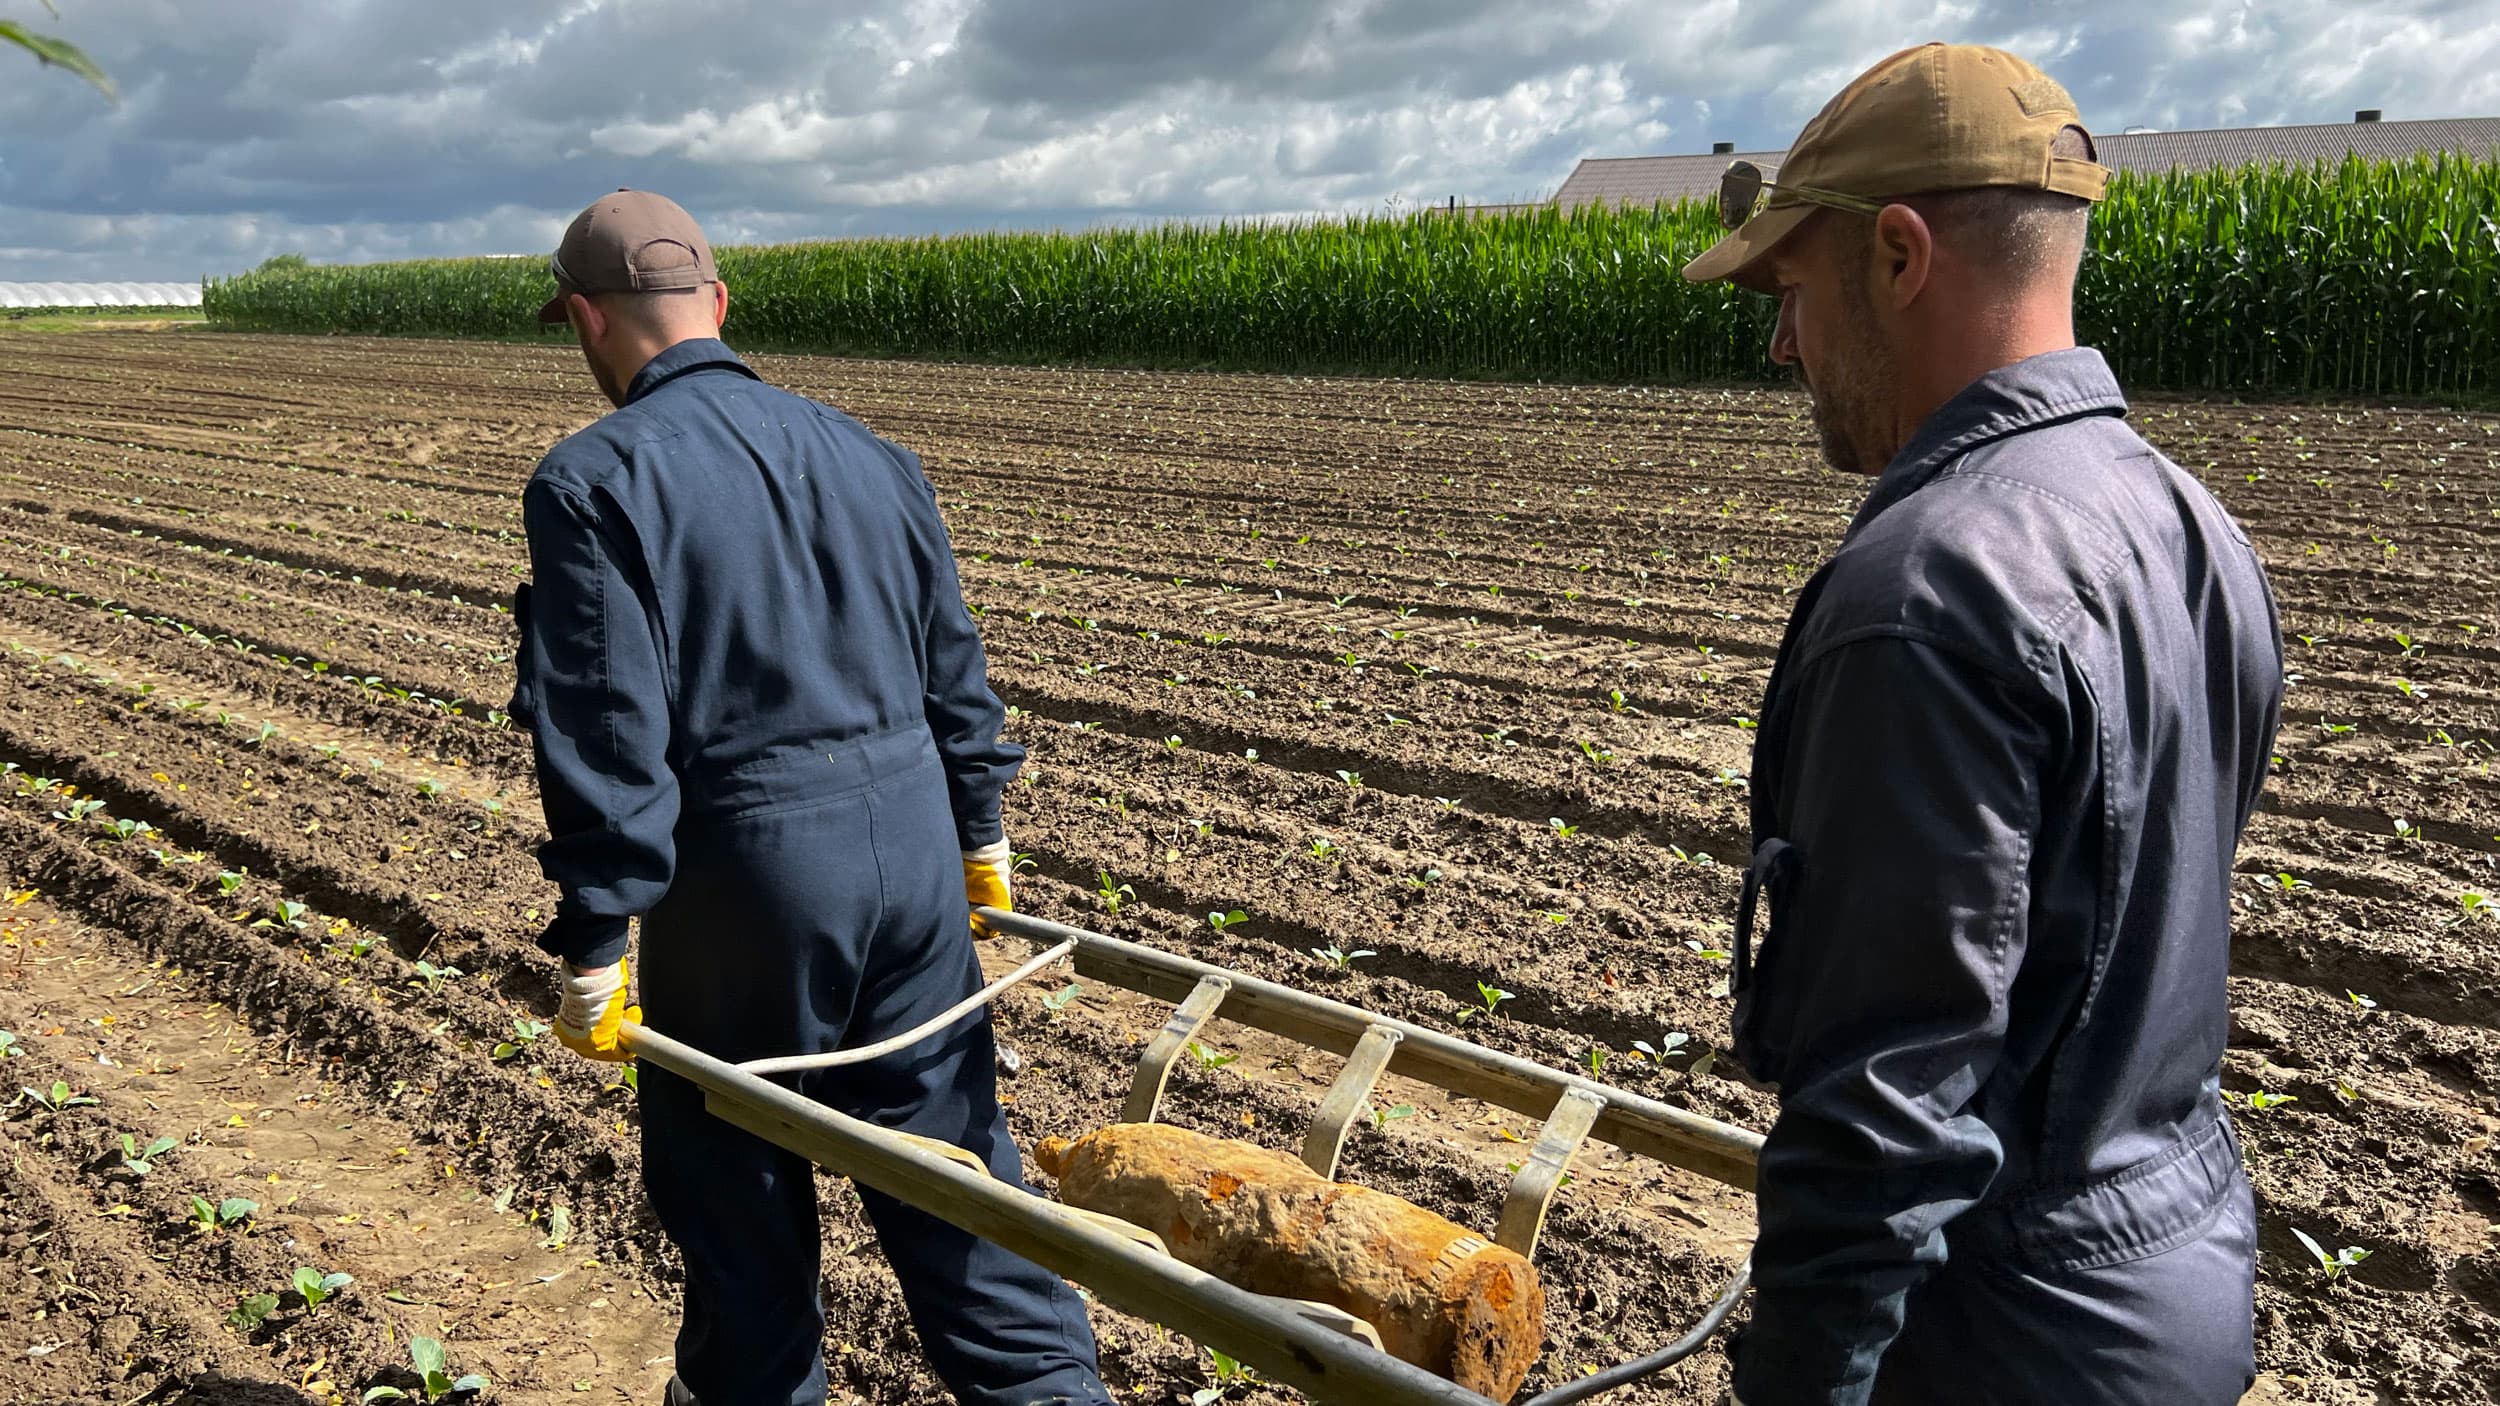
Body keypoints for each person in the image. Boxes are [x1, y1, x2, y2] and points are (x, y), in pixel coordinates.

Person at [1679, 44, 2283, 1405]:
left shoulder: (1927, 594)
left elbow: (1885, 1116)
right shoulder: (2192, 528)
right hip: (2172, 1286)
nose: (1782, 346)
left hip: (1994, 1342)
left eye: (1794, 291)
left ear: (1898, 256)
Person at [509, 188, 1111, 1406]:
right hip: (912, 856)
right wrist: (980, 830)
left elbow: (609, 726)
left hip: (751, 880)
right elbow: (953, 659)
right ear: (717, 304)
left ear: (584, 319)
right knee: (954, 1174)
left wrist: (596, 936)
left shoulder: (593, 478)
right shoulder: (870, 452)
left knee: (735, 1188)